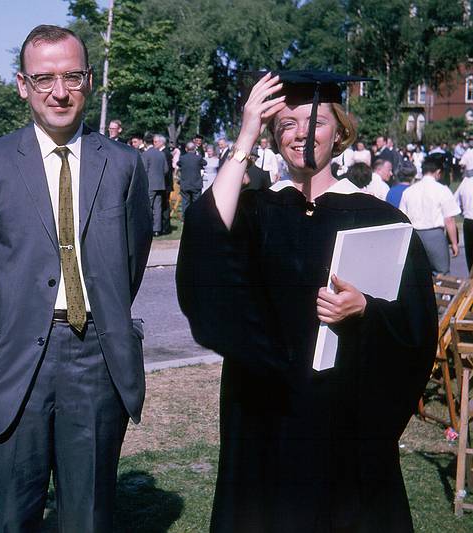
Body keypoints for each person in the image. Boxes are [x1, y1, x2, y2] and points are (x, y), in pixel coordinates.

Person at [176, 70, 436, 532]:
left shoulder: (378, 216)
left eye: (315, 122)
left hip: (347, 414)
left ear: (339, 131)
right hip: (264, 410)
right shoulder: (254, 212)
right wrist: (245, 135)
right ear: (273, 137)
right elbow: (203, 248)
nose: (301, 134)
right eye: (287, 124)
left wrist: (367, 311)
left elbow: (417, 328)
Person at [0, 24, 152, 532]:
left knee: (88, 514)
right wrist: (6, 322)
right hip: (13, 361)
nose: (59, 92)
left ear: (89, 81)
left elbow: (131, 261)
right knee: (10, 515)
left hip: (95, 358)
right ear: (22, 84)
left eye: (72, 77)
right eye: (44, 79)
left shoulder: (124, 165)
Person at [399, 153, 460, 275]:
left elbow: (402, 217)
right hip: (435, 235)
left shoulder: (409, 191)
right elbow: (449, 220)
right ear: (438, 172)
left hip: (415, 235)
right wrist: (454, 243)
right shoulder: (442, 190)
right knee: (441, 272)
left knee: (419, 273)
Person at [143, 132, 169, 236]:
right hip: (160, 184)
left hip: (150, 184)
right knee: (158, 207)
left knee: (147, 206)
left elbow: (144, 170)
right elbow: (166, 170)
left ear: (145, 142)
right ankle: (157, 229)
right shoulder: (161, 153)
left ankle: (147, 228)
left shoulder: (145, 154)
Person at [177, 141, 205, 217]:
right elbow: (205, 163)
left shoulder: (182, 158)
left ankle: (186, 218)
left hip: (185, 184)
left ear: (186, 149)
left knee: (185, 202)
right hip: (196, 184)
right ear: (194, 149)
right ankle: (196, 218)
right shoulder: (198, 158)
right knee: (196, 203)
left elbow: (178, 164)